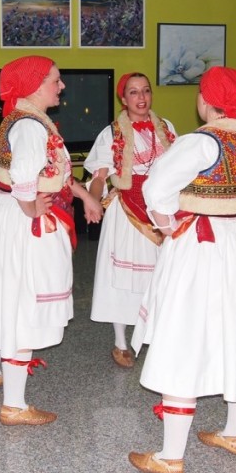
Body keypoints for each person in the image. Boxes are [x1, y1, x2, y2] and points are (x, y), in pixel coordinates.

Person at [128, 66, 236, 473]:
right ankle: (234, 433)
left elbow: (155, 188)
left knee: (185, 337)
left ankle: (171, 455)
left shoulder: (202, 142)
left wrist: (167, 226)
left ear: (206, 101)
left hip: (203, 245)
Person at [0, 56, 103, 426]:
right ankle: (14, 405)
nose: (61, 86)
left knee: (0, 295)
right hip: (21, 222)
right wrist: (32, 207)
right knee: (23, 305)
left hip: (1, 215)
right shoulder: (31, 127)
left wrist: (84, 196)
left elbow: (54, 172)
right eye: (55, 80)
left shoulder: (22, 116)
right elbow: (24, 176)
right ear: (34, 85)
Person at [85, 72, 176, 368]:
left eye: (146, 91)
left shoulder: (166, 128)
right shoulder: (112, 133)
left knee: (161, 275)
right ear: (123, 99)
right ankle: (121, 342)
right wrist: (93, 200)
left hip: (160, 208)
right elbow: (99, 175)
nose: (141, 97)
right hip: (127, 211)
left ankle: (157, 335)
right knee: (122, 279)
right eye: (134, 92)